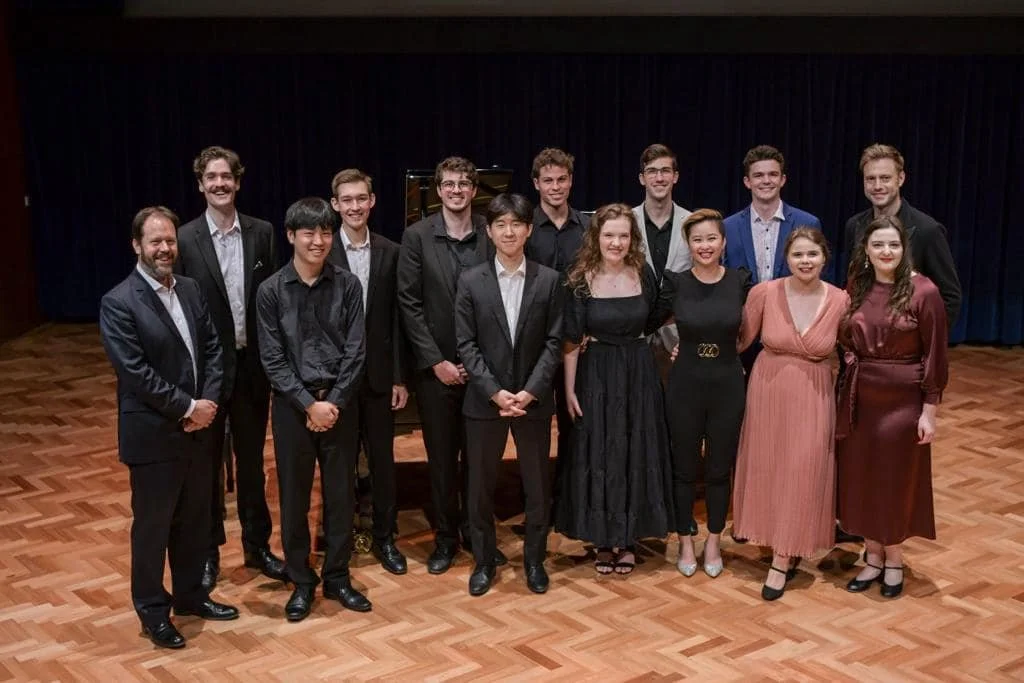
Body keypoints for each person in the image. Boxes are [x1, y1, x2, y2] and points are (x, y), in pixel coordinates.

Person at [99, 206, 238, 650]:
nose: (165, 249)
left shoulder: (193, 289)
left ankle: (192, 597)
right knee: (153, 528)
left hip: (199, 428)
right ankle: (152, 611)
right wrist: (188, 407)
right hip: (156, 435)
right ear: (137, 245)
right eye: (155, 241)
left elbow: (214, 347)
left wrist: (209, 401)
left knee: (194, 521)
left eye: (170, 241)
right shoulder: (119, 302)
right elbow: (135, 374)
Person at [174, 145, 286, 589]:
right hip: (205, 376)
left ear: (238, 182)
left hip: (252, 369)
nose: (220, 184)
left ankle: (258, 548)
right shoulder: (184, 240)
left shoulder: (263, 233)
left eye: (227, 177)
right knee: (206, 469)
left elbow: (274, 302)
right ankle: (208, 554)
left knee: (253, 465)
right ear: (201, 184)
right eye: (211, 177)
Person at [257, 198, 368, 622]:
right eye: (309, 232)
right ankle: (301, 581)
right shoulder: (270, 291)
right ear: (291, 236)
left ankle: (338, 576)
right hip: (292, 408)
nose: (319, 241)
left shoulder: (348, 285)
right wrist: (308, 404)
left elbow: (356, 352)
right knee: (295, 497)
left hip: (339, 405)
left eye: (325, 232)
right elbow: (272, 359)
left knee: (342, 496)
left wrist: (333, 403)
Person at [731, 227, 850, 600]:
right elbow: (737, 340)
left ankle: (783, 556)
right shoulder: (763, 293)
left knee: (804, 468)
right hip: (768, 389)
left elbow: (851, 352)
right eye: (798, 254)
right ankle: (781, 543)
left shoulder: (841, 300)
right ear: (786, 258)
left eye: (812, 254)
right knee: (772, 466)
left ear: (825, 258)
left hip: (814, 392)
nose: (805, 261)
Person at [455, 193, 564, 596]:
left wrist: (531, 391)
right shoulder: (470, 280)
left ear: (529, 229)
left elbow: (554, 342)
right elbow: (465, 344)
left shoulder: (549, 280)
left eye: (516, 224)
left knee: (537, 487)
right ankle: (484, 562)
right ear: (489, 231)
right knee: (479, 487)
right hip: (485, 403)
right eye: (500, 224)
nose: (509, 231)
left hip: (533, 403)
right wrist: (496, 393)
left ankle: (534, 561)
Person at [397, 156, 502, 574]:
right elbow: (409, 303)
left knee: (480, 460)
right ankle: (445, 538)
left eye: (464, 184)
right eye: (449, 184)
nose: (456, 190)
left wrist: (482, 365)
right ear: (437, 191)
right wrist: (436, 361)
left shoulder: (490, 235)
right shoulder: (417, 236)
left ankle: (479, 537)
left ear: (474, 191)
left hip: (483, 370)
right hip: (436, 371)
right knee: (441, 459)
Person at [556, 203, 672, 576]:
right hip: (596, 373)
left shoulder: (644, 273)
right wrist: (570, 389)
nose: (616, 242)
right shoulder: (578, 279)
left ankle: (627, 539)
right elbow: (571, 340)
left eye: (623, 235)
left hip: (637, 371)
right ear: (596, 237)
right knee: (599, 451)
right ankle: (602, 540)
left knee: (633, 450)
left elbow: (656, 316)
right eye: (609, 235)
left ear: (632, 239)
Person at [837, 215, 948, 599]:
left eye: (894, 246)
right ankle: (871, 556)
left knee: (893, 480)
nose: (887, 252)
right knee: (862, 476)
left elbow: (936, 354)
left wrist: (929, 411)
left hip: (903, 398)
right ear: (866, 251)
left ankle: (895, 558)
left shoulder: (924, 291)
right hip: (860, 395)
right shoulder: (856, 286)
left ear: (904, 250)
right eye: (879, 245)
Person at [653, 209, 750, 579]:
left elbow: (748, 331)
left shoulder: (740, 281)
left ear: (723, 242)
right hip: (685, 383)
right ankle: (685, 540)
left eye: (712, 238)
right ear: (688, 244)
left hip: (727, 383)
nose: (705, 245)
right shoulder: (675, 283)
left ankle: (713, 539)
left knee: (718, 468)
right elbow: (649, 324)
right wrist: (674, 349)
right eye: (697, 239)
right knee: (683, 469)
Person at [327, 168, 409, 575]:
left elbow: (397, 318)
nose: (355, 206)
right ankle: (338, 540)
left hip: (379, 376)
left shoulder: (391, 251)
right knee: (339, 463)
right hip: (335, 380)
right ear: (335, 205)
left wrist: (398, 375)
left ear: (372, 202)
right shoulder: (322, 250)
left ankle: (385, 538)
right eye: (347, 200)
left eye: (362, 198)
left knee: (382, 462)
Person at [524, 147, 589, 511]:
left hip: (578, 341)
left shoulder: (588, 228)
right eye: (547, 180)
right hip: (536, 341)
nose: (555, 187)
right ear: (536, 184)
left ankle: (568, 500)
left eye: (561, 179)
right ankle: (538, 502)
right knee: (534, 427)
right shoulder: (526, 228)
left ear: (570, 180)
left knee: (574, 423)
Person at [844, 143, 961, 328]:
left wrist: (927, 342)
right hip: (862, 342)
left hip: (908, 348)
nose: (877, 186)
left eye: (885, 178)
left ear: (900, 178)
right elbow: (851, 286)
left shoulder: (928, 230)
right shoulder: (854, 225)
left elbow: (950, 297)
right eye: (870, 179)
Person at [631, 143, 692, 380]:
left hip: (679, 339)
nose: (659, 177)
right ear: (642, 178)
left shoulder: (692, 223)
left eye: (665, 171)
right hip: (634, 337)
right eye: (652, 171)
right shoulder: (625, 223)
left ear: (675, 177)